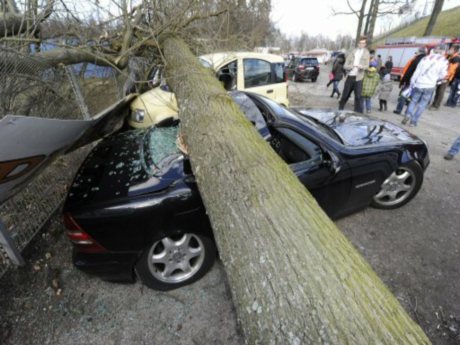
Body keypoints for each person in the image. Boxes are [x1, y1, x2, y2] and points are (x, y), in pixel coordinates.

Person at [402, 47, 448, 127]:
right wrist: (436, 78)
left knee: (413, 101)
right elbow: (443, 75)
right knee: (422, 104)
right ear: (441, 52)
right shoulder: (443, 61)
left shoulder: (425, 59)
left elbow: (417, 72)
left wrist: (412, 82)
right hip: (430, 85)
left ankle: (408, 115)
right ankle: (413, 122)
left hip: (419, 84)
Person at [339, 36, 370, 113]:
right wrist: (351, 66)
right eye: (360, 43)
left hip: (359, 78)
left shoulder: (366, 53)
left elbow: (367, 66)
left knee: (358, 97)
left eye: (363, 43)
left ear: (365, 44)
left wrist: (362, 67)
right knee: (345, 95)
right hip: (350, 76)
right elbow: (345, 66)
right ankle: (340, 110)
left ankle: (358, 114)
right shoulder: (353, 52)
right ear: (358, 43)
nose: (361, 44)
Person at [393, 47, 427, 115]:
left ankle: (399, 110)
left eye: (417, 52)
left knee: (404, 95)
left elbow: (409, 71)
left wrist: (403, 81)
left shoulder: (415, 59)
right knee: (413, 99)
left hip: (411, 81)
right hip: (420, 83)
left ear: (419, 52)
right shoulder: (427, 60)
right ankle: (407, 113)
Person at [431, 45, 460, 109]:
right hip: (441, 76)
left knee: (441, 91)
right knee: (437, 91)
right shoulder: (449, 56)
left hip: (446, 78)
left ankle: (436, 106)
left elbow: (451, 70)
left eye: (451, 49)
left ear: (454, 50)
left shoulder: (456, 58)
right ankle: (434, 103)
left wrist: (445, 77)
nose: (449, 50)